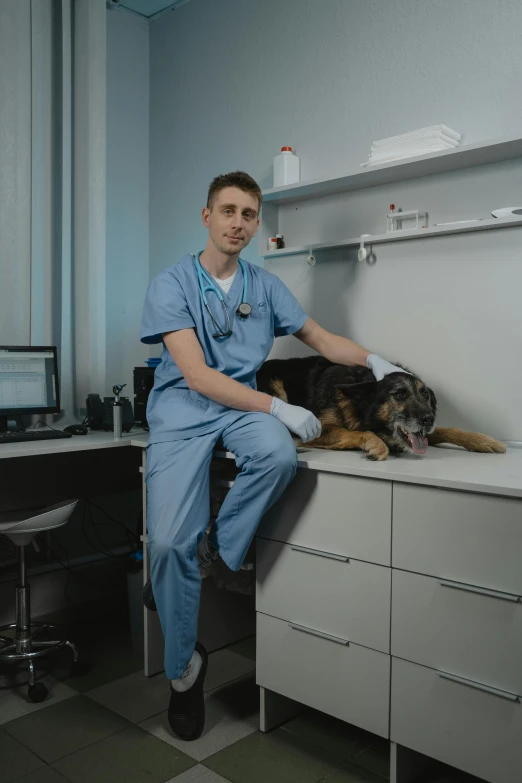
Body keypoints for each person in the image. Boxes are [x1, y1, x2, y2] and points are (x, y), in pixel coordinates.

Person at [140, 170, 404, 741]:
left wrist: (378, 362)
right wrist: (278, 408)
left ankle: (213, 550)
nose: (238, 223)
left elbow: (321, 339)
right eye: (228, 211)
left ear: (258, 224)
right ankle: (184, 675)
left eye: (249, 215)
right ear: (207, 216)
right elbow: (196, 374)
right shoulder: (171, 284)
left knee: (281, 460)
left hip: (243, 411)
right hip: (185, 411)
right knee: (164, 543)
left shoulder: (264, 287)